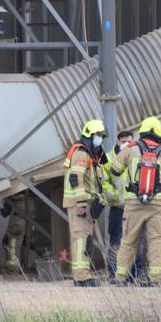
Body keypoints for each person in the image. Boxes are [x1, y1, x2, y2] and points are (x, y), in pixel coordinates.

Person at [109, 116, 161, 286]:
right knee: (156, 241)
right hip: (157, 202)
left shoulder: (131, 149)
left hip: (134, 202)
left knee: (128, 240)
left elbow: (114, 170)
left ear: (142, 131)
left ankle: (120, 278)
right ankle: (156, 280)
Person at [62, 119, 108, 287]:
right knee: (80, 239)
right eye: (98, 135)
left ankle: (83, 275)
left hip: (86, 203)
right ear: (90, 135)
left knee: (85, 239)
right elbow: (76, 179)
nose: (100, 139)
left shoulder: (90, 153)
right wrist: (81, 203)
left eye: (102, 136)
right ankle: (81, 277)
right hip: (79, 204)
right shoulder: (82, 153)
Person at [102, 130, 145, 281]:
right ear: (118, 141)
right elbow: (103, 181)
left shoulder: (137, 155)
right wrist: (114, 195)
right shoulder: (108, 158)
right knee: (116, 241)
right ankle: (114, 272)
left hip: (135, 206)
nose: (127, 145)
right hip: (117, 207)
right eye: (124, 141)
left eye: (130, 142)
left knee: (136, 240)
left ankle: (135, 273)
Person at [0, 191, 30, 272]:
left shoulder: (15, 196)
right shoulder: (25, 199)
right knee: (16, 246)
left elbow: (6, 211)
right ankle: (14, 267)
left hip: (16, 222)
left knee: (11, 245)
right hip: (22, 222)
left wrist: (4, 210)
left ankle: (12, 268)